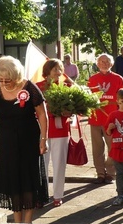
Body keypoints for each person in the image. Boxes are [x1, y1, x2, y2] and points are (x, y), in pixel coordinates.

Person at [0, 55, 48, 223]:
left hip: (28, 140)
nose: (4, 83)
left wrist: (44, 139)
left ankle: (27, 221)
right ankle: (16, 219)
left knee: (27, 180)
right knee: (12, 179)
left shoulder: (30, 88)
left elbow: (42, 115)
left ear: (16, 75)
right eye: (0, 80)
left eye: (7, 80)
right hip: (6, 142)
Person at [36, 59, 74, 207]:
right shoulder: (37, 88)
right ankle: (41, 195)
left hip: (61, 130)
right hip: (41, 130)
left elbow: (75, 107)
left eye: (60, 69)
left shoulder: (67, 87)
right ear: (47, 71)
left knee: (59, 164)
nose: (58, 72)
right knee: (41, 165)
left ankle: (58, 195)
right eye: (55, 69)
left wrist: (69, 111)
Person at [87, 53, 123, 184]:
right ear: (97, 64)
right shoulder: (92, 79)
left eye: (107, 61)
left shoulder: (118, 79)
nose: (104, 63)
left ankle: (110, 172)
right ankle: (100, 173)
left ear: (111, 64)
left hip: (112, 120)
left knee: (113, 148)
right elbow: (86, 98)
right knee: (97, 149)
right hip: (95, 119)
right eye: (101, 61)